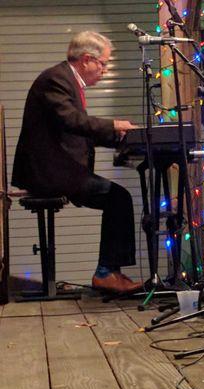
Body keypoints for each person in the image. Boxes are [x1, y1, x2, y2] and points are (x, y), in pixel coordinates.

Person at [12, 31, 142, 294]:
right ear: (86, 60)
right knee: (118, 198)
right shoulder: (56, 79)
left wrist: (120, 138)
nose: (105, 70)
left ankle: (112, 271)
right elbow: (71, 121)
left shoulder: (67, 80)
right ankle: (107, 273)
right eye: (103, 64)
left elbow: (76, 132)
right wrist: (114, 125)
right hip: (49, 172)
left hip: (59, 168)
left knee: (117, 198)